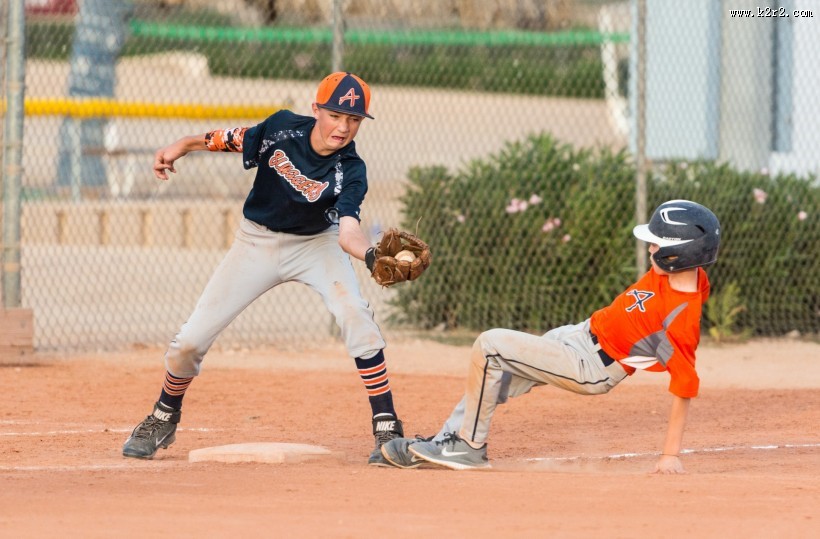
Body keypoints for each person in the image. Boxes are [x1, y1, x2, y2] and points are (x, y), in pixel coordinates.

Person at [122, 72, 406, 466]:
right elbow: (232, 139)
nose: (343, 127)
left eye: (354, 119)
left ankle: (387, 425)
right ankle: (163, 415)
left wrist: (373, 255)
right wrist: (183, 144)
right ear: (316, 110)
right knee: (190, 339)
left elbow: (347, 233)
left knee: (355, 313)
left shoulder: (351, 169)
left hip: (315, 244)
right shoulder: (281, 129)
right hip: (256, 241)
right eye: (335, 115)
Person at [380, 199, 720, 473]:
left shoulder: (681, 319)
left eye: (656, 244)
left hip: (591, 366)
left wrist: (670, 455)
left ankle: (467, 447)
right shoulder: (683, 275)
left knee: (490, 345)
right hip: (579, 334)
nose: (649, 250)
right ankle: (446, 443)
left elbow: (684, 386)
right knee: (495, 376)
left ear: (682, 254)